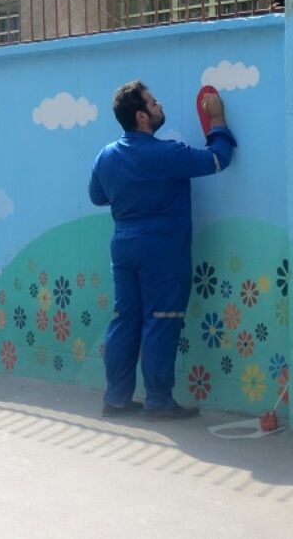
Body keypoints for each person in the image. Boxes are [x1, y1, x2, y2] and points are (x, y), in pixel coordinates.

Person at [89, 80, 236, 419]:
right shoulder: (168, 153)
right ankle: (158, 401)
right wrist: (217, 120)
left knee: (125, 319)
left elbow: (98, 197)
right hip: (162, 250)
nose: (160, 105)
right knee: (160, 320)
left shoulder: (106, 156)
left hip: (123, 246)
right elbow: (217, 160)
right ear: (141, 116)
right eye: (154, 103)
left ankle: (116, 398)